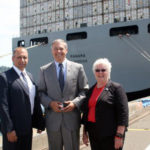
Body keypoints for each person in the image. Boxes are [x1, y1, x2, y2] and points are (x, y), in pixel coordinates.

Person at [38, 39, 89, 150]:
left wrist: (75, 103)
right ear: (52, 51)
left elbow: (84, 90)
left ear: (66, 50)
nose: (58, 51)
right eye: (55, 48)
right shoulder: (44, 70)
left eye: (61, 48)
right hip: (53, 121)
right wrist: (50, 103)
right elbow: (40, 92)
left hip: (71, 120)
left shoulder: (78, 68)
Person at [0, 47, 45, 150]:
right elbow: (3, 106)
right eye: (19, 57)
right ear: (13, 59)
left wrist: (39, 123)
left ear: (28, 59)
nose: (22, 60)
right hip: (13, 131)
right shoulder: (4, 77)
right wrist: (9, 129)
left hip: (27, 129)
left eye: (25, 57)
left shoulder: (30, 77)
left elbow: (34, 101)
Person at [81, 58, 128, 150]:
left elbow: (123, 113)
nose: (100, 72)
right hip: (93, 133)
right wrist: (84, 132)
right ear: (94, 72)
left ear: (109, 71)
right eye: (97, 70)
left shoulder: (116, 88)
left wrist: (119, 135)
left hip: (110, 134)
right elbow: (87, 112)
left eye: (103, 70)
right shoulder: (90, 90)